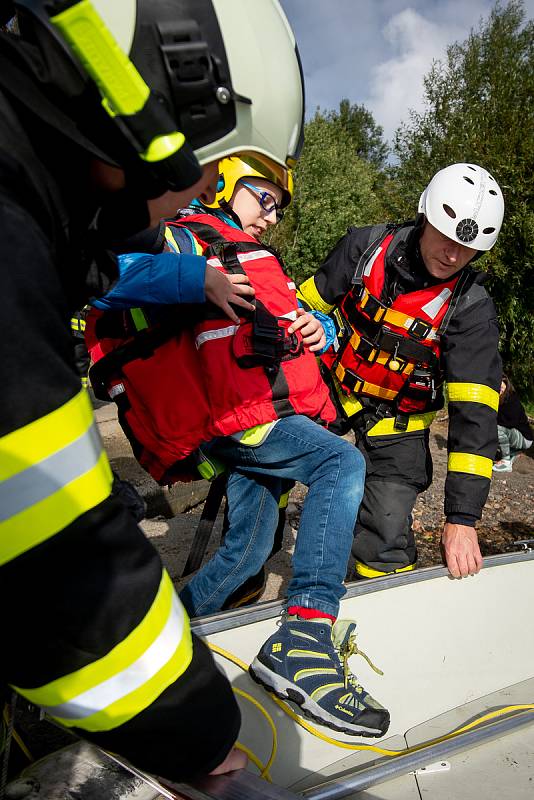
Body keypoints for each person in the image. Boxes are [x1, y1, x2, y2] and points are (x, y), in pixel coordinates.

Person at [0, 0, 305, 782]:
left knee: (258, 521)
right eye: (210, 164)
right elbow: (50, 566)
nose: (200, 189)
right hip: (219, 428)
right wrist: (197, 731)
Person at [87, 155, 391, 739]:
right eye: (265, 199)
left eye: (279, 207)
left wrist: (318, 330)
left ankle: (158, 644)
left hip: (259, 408)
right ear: (225, 180)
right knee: (340, 461)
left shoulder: (243, 250)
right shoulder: (177, 232)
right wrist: (196, 278)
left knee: (249, 551)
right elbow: (101, 278)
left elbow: (287, 318)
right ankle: (304, 637)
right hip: (233, 418)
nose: (272, 217)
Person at [298, 163, 505, 581]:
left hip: (398, 425)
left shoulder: (471, 310)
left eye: (467, 250)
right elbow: (304, 308)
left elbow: (476, 417)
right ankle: (246, 576)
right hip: (331, 391)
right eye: (446, 239)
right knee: (265, 460)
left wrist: (462, 519)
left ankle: (383, 603)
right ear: (424, 216)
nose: (452, 255)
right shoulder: (364, 247)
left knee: (386, 532)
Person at [493, 374, 533, 472]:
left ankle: (506, 462)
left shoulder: (512, 400)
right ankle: (513, 452)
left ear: (507, 386)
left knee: (496, 429)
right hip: (515, 434)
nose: (499, 389)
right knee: (491, 427)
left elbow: (511, 423)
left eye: (501, 387)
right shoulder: (497, 400)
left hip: (525, 438)